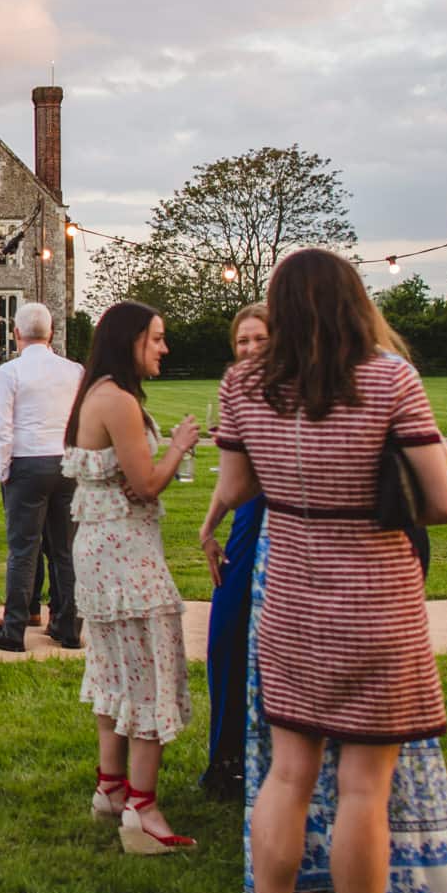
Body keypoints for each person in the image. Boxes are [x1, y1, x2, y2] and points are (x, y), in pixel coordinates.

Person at [210, 247, 447, 893]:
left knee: (287, 774)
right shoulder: (389, 378)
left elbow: (238, 484)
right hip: (374, 593)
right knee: (364, 785)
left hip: (287, 588)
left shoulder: (244, 383)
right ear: (354, 301)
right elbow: (443, 502)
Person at [66, 302, 202, 856]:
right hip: (125, 552)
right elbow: (145, 485)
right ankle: (142, 810)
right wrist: (179, 445)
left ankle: (110, 788)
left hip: (100, 549)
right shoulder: (118, 401)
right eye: (157, 339)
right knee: (149, 667)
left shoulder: (94, 394)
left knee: (115, 667)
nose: (164, 349)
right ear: (132, 342)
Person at [0, 299, 85, 652]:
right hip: (67, 463)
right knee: (65, 550)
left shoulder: (10, 372)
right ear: (51, 333)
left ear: (16, 334)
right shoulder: (75, 371)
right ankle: (69, 627)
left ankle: (14, 630)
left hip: (27, 464)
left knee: (24, 549)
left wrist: (4, 468)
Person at [197, 303, 269, 797]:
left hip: (278, 520)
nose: (248, 349)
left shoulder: (287, 392)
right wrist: (207, 530)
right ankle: (227, 756)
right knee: (225, 634)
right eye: (241, 341)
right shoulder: (238, 391)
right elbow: (231, 482)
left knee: (260, 641)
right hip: (247, 516)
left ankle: (253, 759)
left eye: (259, 340)